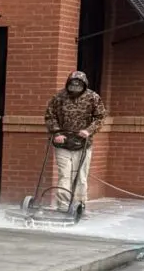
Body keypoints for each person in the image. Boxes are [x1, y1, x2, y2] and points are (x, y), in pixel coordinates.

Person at [43, 69, 106, 212]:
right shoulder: (59, 97)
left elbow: (100, 117)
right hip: (63, 143)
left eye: (79, 85)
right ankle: (63, 206)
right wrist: (56, 133)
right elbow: (50, 116)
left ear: (84, 84)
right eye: (73, 84)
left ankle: (79, 205)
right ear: (68, 84)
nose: (75, 87)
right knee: (64, 175)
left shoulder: (93, 97)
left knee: (81, 176)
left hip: (83, 143)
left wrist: (88, 131)